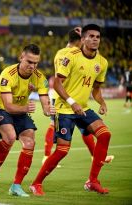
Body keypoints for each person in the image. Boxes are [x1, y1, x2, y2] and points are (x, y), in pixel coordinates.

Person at [30, 24, 112, 196]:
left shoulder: (102, 62)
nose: (95, 39)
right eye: (91, 36)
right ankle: (36, 183)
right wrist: (72, 102)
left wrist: (102, 102)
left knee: (105, 135)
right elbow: (57, 83)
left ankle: (92, 181)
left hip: (83, 108)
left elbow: (96, 89)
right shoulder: (69, 56)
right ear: (83, 39)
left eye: (98, 37)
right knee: (62, 150)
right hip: (64, 108)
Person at [0, 44, 54, 197]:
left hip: (21, 112)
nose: (32, 66)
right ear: (21, 57)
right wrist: (25, 109)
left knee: (30, 142)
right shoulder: (8, 74)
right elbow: (8, 106)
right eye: (29, 62)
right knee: (10, 137)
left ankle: (16, 186)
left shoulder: (40, 77)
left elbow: (44, 100)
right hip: (1, 110)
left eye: (36, 63)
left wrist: (47, 109)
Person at [43, 28, 114, 166]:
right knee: (54, 125)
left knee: (86, 129)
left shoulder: (66, 53)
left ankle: (95, 155)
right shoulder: (66, 54)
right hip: (62, 96)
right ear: (80, 41)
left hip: (76, 99)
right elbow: (60, 78)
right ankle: (46, 155)